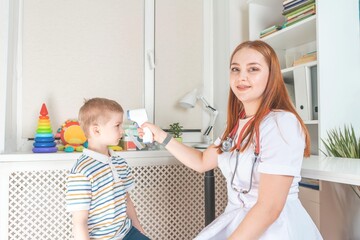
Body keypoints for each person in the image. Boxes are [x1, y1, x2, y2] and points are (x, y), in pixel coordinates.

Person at [139, 40, 323, 239]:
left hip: (272, 228)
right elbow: (202, 162)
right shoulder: (235, 126)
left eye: (253, 69)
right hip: (237, 219)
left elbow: (269, 208)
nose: (241, 77)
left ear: (271, 76)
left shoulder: (281, 124)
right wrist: (162, 136)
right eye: (235, 69)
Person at [66, 98, 150, 240]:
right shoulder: (82, 171)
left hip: (127, 232)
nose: (122, 130)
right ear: (96, 130)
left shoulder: (119, 162)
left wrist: (138, 228)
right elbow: (79, 222)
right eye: (117, 125)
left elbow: (127, 199)